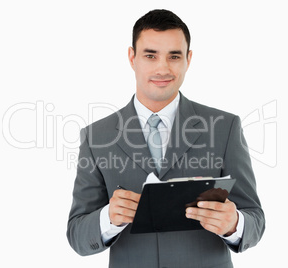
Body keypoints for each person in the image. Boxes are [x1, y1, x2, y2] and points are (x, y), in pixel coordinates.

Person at [67, 9, 265, 268]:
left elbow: (255, 219)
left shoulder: (225, 127)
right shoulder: (96, 137)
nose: (163, 68)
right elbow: (77, 235)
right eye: (150, 55)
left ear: (188, 59)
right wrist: (108, 218)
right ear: (132, 58)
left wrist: (234, 224)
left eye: (174, 56)